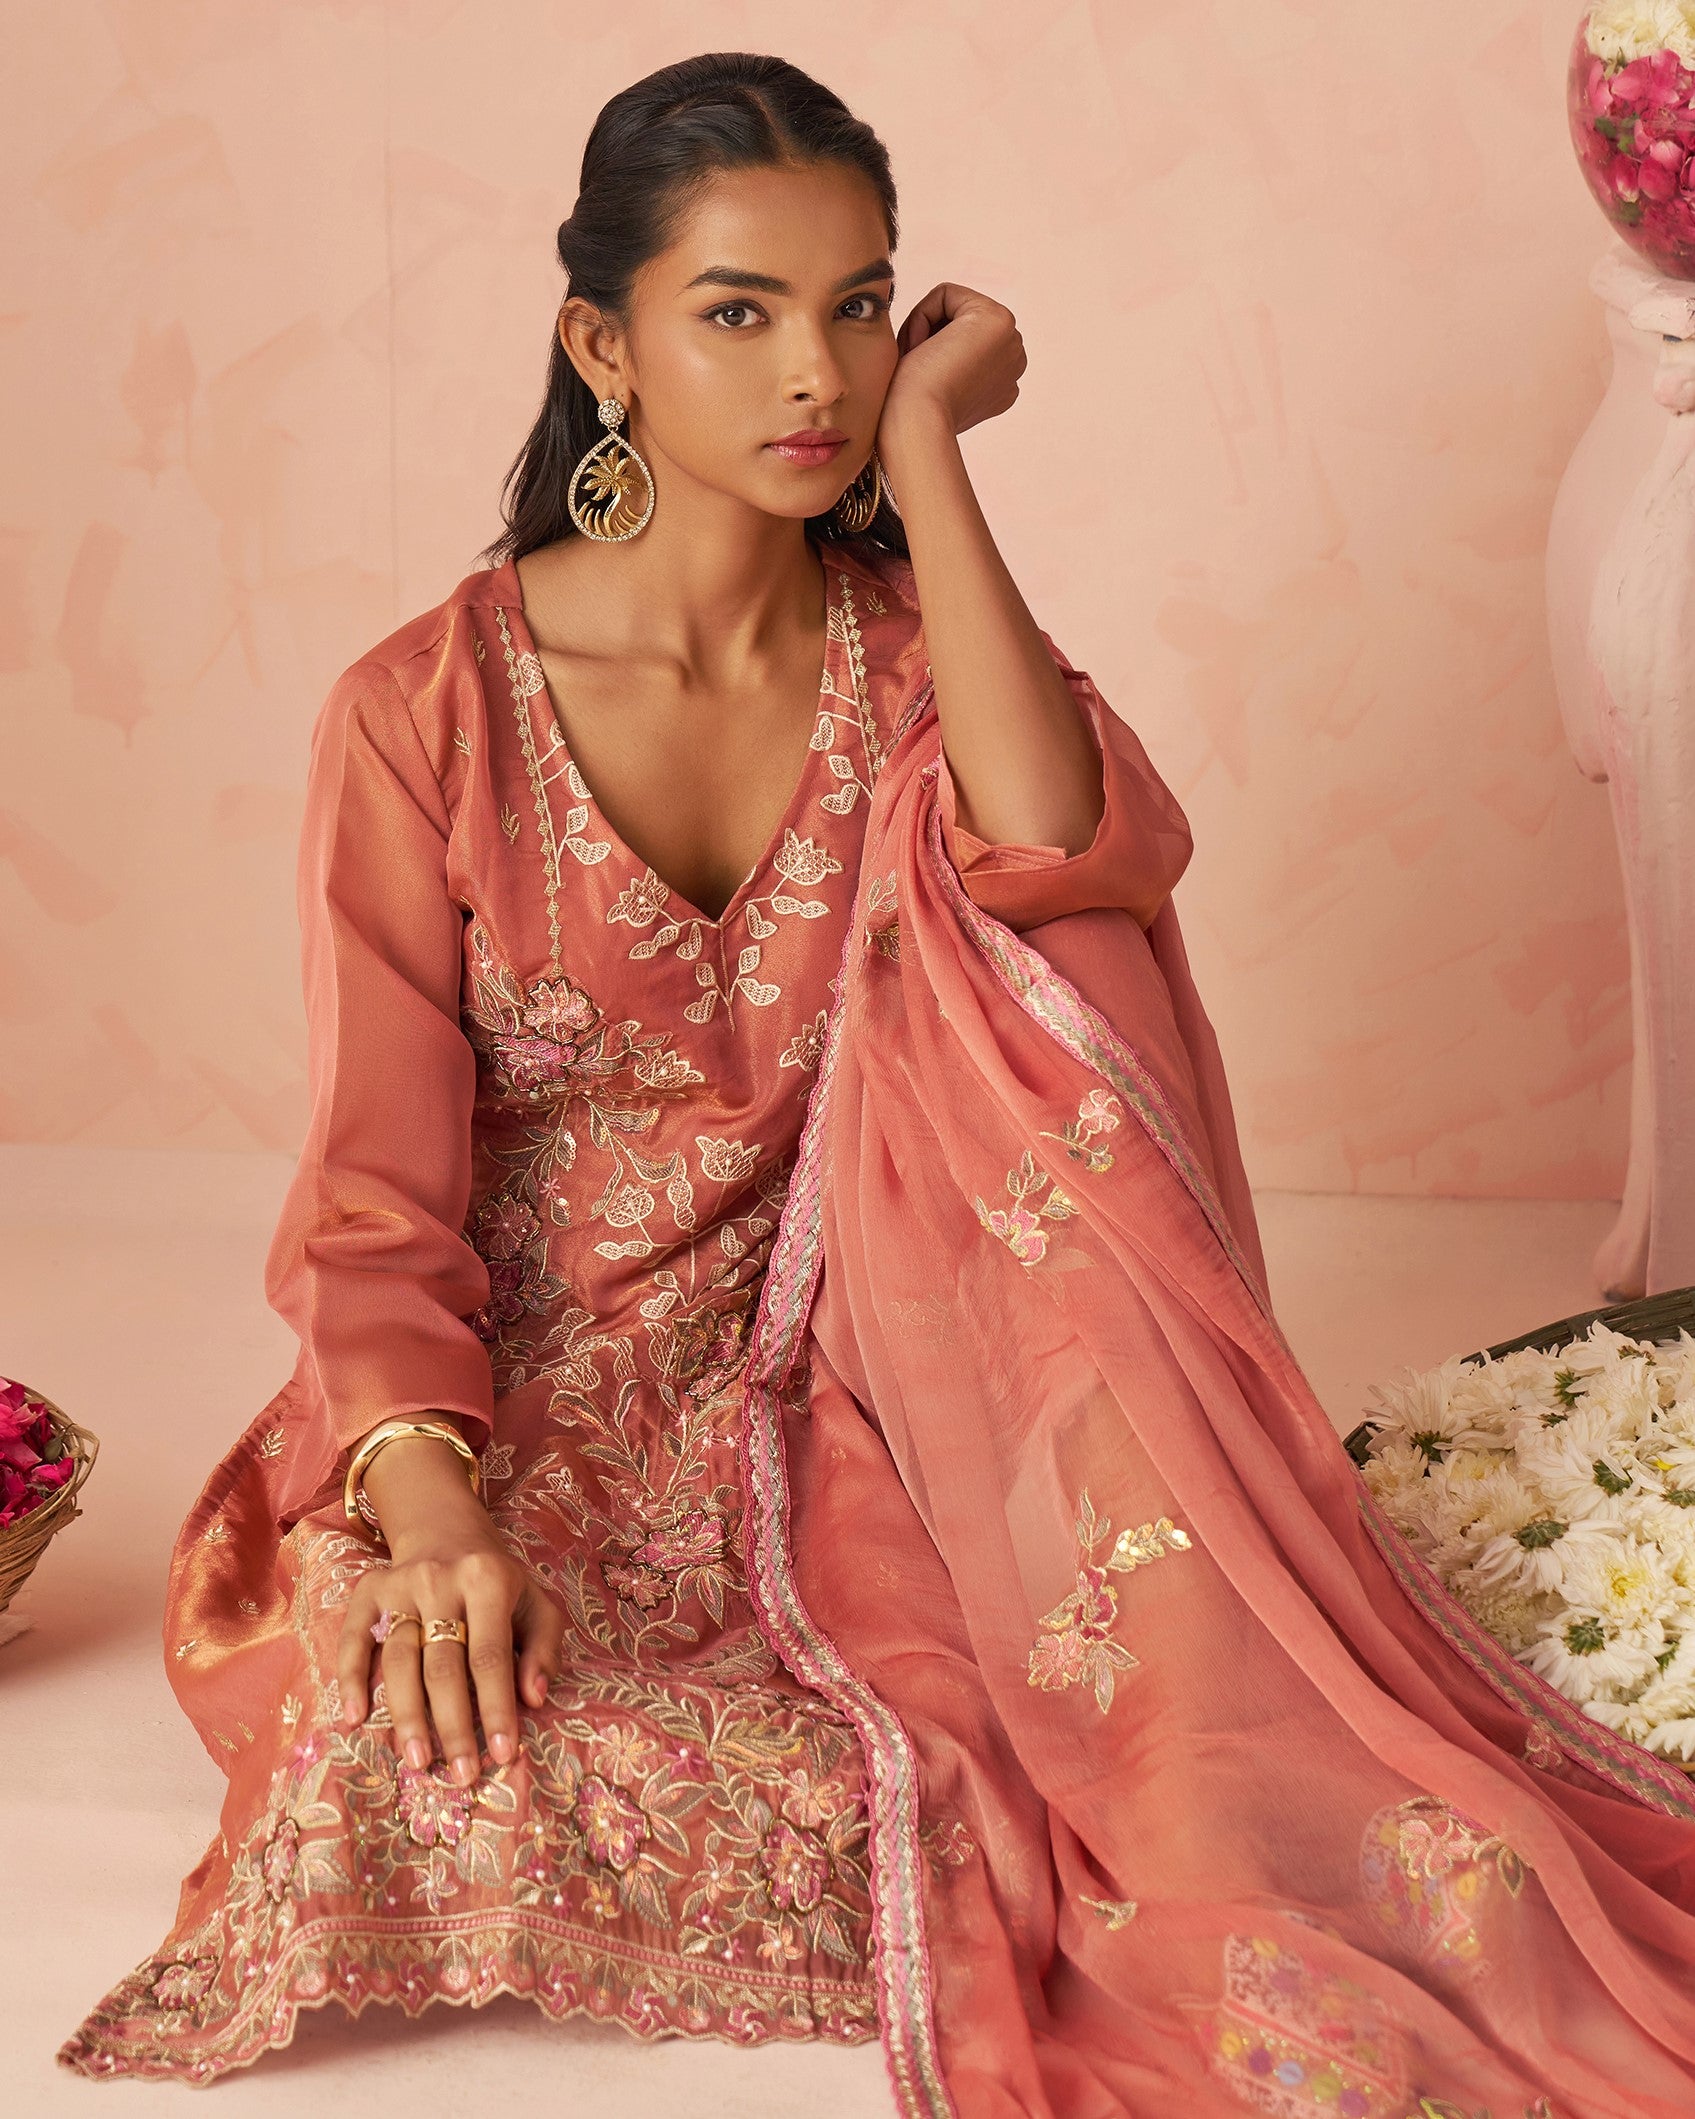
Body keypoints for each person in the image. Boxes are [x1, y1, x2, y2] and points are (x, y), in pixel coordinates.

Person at [56, 50, 1695, 2119]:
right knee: (408, 1714)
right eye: (734, 311)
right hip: (526, 1399)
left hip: (883, 1369)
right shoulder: (426, 714)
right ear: (605, 348)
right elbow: (375, 1199)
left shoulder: (901, 653)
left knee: (1053, 970)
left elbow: (1070, 846)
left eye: (855, 306)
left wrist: (933, 459)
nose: (807, 369)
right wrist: (437, 1504)